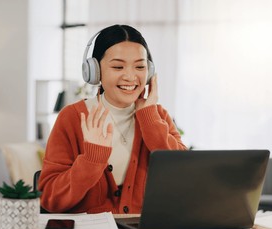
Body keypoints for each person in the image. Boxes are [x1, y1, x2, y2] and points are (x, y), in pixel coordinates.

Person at [38, 24, 187, 214]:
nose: (130, 76)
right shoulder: (72, 118)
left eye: (140, 66)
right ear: (95, 71)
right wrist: (92, 159)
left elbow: (183, 175)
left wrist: (150, 120)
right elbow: (51, 199)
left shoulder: (157, 116)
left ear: (149, 72)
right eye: (118, 66)